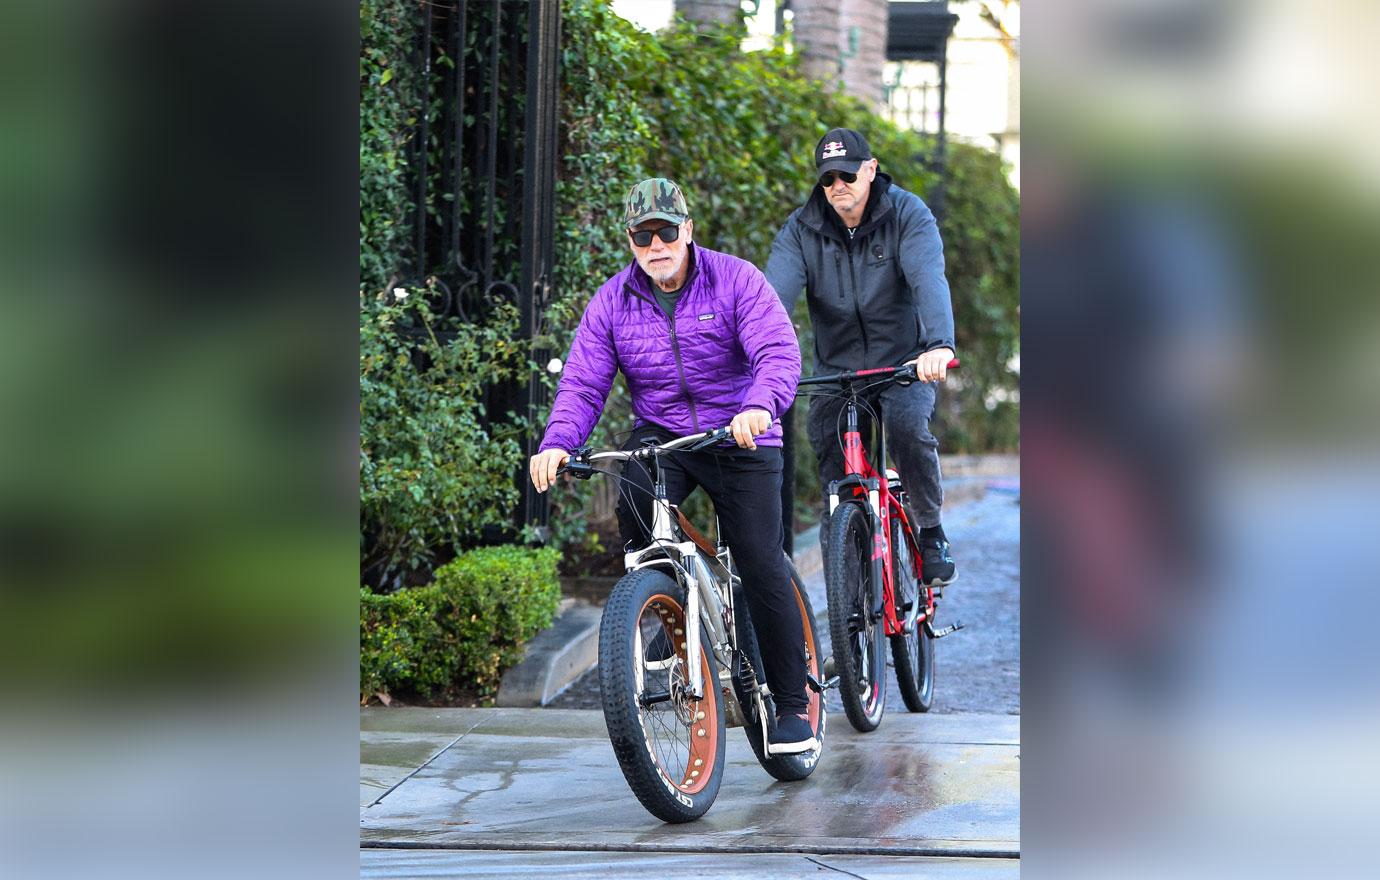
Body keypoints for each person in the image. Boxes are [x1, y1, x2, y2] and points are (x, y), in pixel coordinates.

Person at [529, 178, 816, 753]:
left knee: (760, 559)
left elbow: (777, 352)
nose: (655, 244)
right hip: (664, 434)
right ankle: (669, 608)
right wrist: (557, 441)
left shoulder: (736, 280)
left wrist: (759, 406)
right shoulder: (613, 300)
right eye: (642, 235)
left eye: (665, 231)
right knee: (633, 494)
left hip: (740, 431)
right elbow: (584, 382)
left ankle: (792, 707)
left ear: (687, 230)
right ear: (630, 241)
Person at [765, 128, 957, 585]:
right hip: (837, 369)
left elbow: (928, 278)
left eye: (848, 174)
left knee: (908, 428)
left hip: (902, 363)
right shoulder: (801, 229)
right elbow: (771, 299)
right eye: (829, 178)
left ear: (870, 170)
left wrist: (939, 344)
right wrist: (757, 357)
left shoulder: (907, 214)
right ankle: (849, 617)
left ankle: (929, 529)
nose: (839, 186)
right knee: (833, 468)